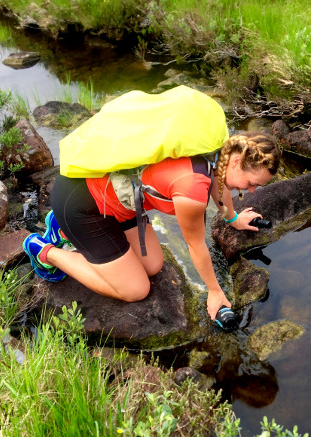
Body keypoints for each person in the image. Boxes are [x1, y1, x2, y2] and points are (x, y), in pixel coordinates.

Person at [23, 132, 281, 322]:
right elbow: (195, 244)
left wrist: (233, 218)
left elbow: (219, 182)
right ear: (237, 163)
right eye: (250, 183)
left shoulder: (216, 148)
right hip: (81, 204)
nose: (251, 191)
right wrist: (215, 292)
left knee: (153, 265)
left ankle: (63, 230)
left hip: (118, 200)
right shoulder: (191, 186)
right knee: (136, 290)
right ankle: (44, 250)